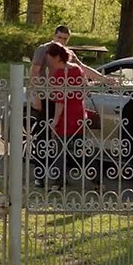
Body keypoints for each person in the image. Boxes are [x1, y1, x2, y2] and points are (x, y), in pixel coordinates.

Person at [36, 41, 95, 188]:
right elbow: (86, 90)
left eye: (50, 57)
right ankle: (97, 180)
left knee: (59, 149)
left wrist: (55, 121)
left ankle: (59, 181)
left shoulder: (59, 74)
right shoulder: (77, 69)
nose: (48, 60)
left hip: (65, 117)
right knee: (81, 149)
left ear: (57, 57)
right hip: (79, 114)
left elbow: (60, 101)